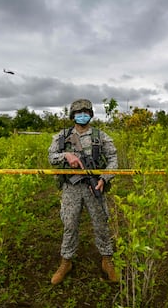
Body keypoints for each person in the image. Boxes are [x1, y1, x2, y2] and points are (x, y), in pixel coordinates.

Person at [48, 98, 118, 285]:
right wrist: (66, 155)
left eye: (86, 112)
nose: (82, 115)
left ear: (91, 114)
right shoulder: (61, 137)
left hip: (94, 186)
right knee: (69, 224)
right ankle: (66, 261)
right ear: (72, 115)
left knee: (101, 223)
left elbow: (113, 159)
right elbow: (51, 157)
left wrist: (104, 178)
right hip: (71, 188)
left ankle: (107, 260)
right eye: (79, 112)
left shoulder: (100, 136)